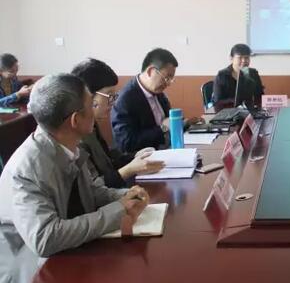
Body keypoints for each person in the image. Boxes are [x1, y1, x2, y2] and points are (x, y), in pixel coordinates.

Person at [0, 74, 149, 281]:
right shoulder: (26, 169)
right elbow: (45, 238)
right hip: (30, 268)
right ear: (76, 120)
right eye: (91, 104)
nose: (96, 108)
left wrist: (125, 196)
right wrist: (119, 211)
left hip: (66, 254)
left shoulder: (68, 145)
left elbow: (90, 192)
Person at [72, 58, 165, 188]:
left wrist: (135, 156)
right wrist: (130, 169)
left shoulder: (92, 124)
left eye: (114, 96)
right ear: (89, 96)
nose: (113, 102)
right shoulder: (75, 136)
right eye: (109, 96)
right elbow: (92, 190)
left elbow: (109, 160)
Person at [111, 48, 200, 153]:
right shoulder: (125, 100)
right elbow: (126, 143)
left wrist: (185, 123)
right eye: (166, 78)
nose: (168, 83)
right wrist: (162, 128)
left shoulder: (158, 92)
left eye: (171, 79)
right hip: (146, 157)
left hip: (167, 150)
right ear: (150, 71)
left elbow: (168, 122)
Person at [213, 43, 264, 110]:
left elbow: (260, 95)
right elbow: (217, 101)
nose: (244, 61)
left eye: (246, 57)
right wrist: (235, 100)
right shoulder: (222, 75)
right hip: (228, 111)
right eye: (240, 58)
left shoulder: (253, 73)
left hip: (249, 110)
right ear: (231, 58)